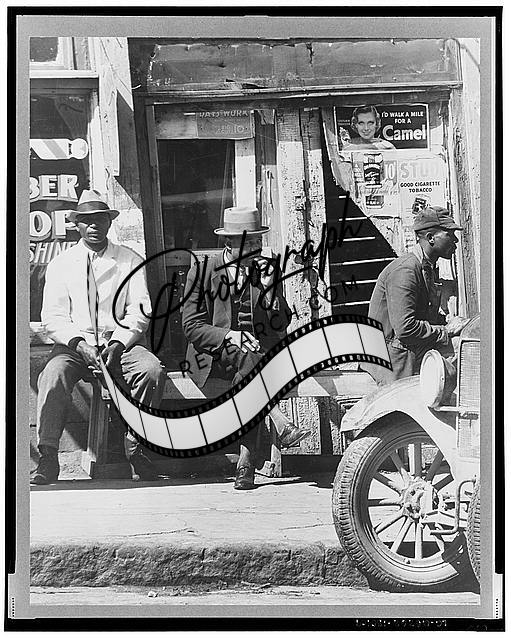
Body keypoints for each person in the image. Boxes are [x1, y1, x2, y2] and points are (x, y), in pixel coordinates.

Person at [31, 189, 167, 485]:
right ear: (76, 225)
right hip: (75, 346)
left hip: (121, 344)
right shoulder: (62, 264)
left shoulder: (129, 260)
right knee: (52, 374)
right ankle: (48, 456)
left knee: (152, 371)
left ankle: (137, 448)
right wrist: (78, 344)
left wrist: (118, 343)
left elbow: (140, 310)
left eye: (100, 219)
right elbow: (53, 317)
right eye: (87, 220)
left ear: (109, 222)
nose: (94, 225)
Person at [182, 206, 311, 490]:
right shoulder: (202, 271)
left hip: (255, 358)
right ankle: (274, 427)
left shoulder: (266, 269)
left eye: (258, 240)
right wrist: (230, 335)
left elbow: (281, 323)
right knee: (252, 360)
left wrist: (269, 290)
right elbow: (191, 327)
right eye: (248, 242)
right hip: (213, 355)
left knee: (251, 363)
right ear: (229, 243)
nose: (256, 247)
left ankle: (245, 462)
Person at [364, 205, 469, 386]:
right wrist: (446, 331)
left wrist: (452, 323)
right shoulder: (406, 270)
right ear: (430, 238)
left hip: (407, 351)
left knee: (468, 343)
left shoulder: (425, 268)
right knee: (464, 350)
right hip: (393, 361)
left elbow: (422, 316)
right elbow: (406, 328)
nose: (456, 240)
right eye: (449, 234)